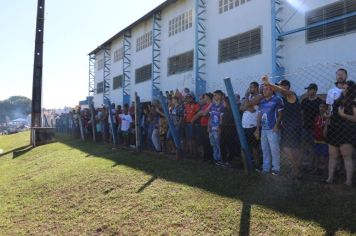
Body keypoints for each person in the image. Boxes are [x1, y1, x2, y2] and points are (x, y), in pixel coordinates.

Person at [262, 77, 303, 178]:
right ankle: (296, 171)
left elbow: (280, 90)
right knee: (291, 149)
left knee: (289, 149)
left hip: (294, 127)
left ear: (286, 87)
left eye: (279, 86)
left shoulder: (291, 95)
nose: (277, 88)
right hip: (289, 127)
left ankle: (296, 171)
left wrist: (269, 83)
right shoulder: (283, 99)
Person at [325, 81, 356, 186]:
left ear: (351, 90)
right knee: (332, 155)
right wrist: (329, 116)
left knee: (347, 156)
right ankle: (329, 178)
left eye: (346, 88)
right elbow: (333, 113)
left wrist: (344, 115)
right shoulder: (338, 99)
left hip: (347, 131)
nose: (343, 90)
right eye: (343, 88)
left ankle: (348, 181)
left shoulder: (354, 101)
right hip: (334, 129)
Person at [255, 84, 283, 175]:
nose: (264, 91)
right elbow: (259, 115)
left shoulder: (277, 99)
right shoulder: (262, 102)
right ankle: (266, 168)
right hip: (263, 129)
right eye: (263, 89)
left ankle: (276, 169)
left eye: (266, 89)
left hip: (272, 129)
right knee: (265, 149)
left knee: (274, 149)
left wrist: (276, 126)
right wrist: (257, 128)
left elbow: (281, 115)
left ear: (272, 90)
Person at [301, 83, 324, 167]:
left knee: (314, 147)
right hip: (305, 127)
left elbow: (322, 114)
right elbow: (302, 113)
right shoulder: (304, 101)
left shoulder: (319, 102)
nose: (307, 91)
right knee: (304, 145)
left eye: (309, 89)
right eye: (307, 90)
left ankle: (313, 165)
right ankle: (304, 163)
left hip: (315, 128)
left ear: (315, 90)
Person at [241, 81, 261, 170]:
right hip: (244, 125)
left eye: (252, 87)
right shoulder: (249, 97)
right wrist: (248, 106)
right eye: (249, 87)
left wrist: (247, 104)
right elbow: (241, 108)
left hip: (253, 125)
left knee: (254, 147)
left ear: (257, 88)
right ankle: (247, 163)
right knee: (245, 145)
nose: (250, 89)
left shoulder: (259, 96)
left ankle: (257, 165)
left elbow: (249, 106)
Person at [192, 93, 214, 163]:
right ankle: (205, 157)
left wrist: (200, 113)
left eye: (204, 98)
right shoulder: (204, 106)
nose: (203, 99)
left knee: (208, 142)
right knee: (204, 142)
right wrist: (200, 113)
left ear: (208, 98)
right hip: (202, 126)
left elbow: (205, 113)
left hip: (208, 126)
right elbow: (202, 113)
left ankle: (210, 158)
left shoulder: (212, 105)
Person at [221, 97, 241, 167]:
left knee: (230, 145)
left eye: (224, 102)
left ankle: (230, 160)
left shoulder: (234, 109)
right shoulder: (224, 109)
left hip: (231, 129)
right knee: (222, 144)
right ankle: (223, 160)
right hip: (224, 128)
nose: (223, 103)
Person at [208, 90, 225, 165]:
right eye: (213, 95)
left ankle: (220, 159)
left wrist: (220, 127)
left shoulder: (222, 105)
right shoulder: (212, 105)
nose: (214, 97)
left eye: (215, 95)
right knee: (213, 144)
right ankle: (215, 159)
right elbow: (210, 117)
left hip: (218, 129)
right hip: (212, 128)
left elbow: (221, 118)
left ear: (220, 96)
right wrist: (208, 126)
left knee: (219, 144)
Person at [312, 102, 329, 175]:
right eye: (320, 107)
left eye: (323, 107)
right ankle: (316, 169)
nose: (321, 108)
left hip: (324, 140)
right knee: (316, 154)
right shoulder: (316, 117)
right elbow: (314, 127)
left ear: (326, 109)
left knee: (325, 156)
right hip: (316, 139)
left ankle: (325, 170)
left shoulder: (328, 118)